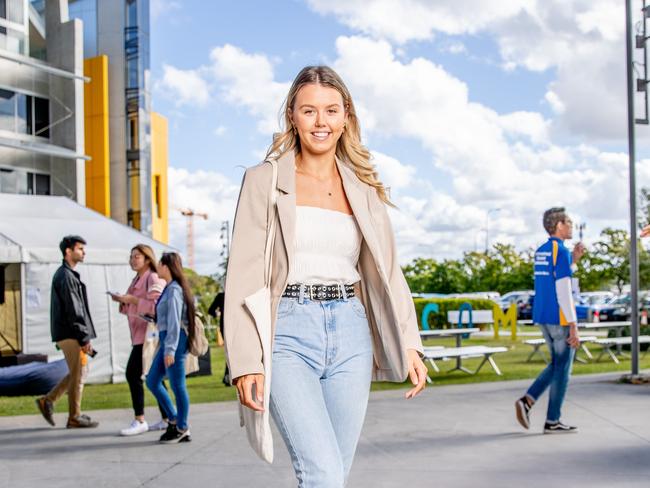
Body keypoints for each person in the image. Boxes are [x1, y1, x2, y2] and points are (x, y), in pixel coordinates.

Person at [224, 65, 428, 486]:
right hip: (287, 332)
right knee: (322, 474)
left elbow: (390, 272)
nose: (321, 122)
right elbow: (243, 273)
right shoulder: (263, 181)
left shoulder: (364, 188)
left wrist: (410, 342)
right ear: (292, 117)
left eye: (331, 111)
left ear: (346, 116)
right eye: (309, 111)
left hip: (351, 331)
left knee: (335, 472)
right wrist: (245, 361)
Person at [515, 207, 585, 434]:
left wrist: (573, 260)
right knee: (563, 368)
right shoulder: (561, 251)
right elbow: (563, 290)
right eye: (569, 222)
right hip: (560, 318)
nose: (572, 226)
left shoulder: (543, 251)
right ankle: (551, 419)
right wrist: (573, 326)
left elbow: (553, 279)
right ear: (559, 225)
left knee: (557, 364)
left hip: (543, 315)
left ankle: (529, 401)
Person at [36, 235, 99, 428]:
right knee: (79, 373)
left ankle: (49, 400)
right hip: (71, 333)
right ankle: (74, 417)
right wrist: (84, 336)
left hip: (69, 333)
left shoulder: (67, 275)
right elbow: (74, 309)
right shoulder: (65, 276)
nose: (83, 252)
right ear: (68, 252)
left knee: (78, 371)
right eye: (80, 248)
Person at [110, 244, 168, 436]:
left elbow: (155, 305)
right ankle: (168, 417)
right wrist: (122, 300)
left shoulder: (152, 277)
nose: (133, 260)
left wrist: (132, 300)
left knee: (132, 374)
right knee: (155, 377)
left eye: (137, 257)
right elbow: (133, 307)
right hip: (138, 335)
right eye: (131, 256)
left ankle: (140, 419)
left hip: (148, 337)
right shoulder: (136, 279)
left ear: (147, 259)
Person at [146, 252, 194, 443]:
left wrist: (170, 350)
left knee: (177, 385)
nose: (157, 266)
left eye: (159, 263)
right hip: (168, 338)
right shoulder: (169, 288)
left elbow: (175, 321)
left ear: (166, 266)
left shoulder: (174, 290)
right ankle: (174, 419)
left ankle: (182, 426)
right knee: (152, 380)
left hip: (175, 339)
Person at [207, 290, 229, 385]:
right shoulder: (236, 293)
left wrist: (218, 314)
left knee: (229, 353)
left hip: (224, 326)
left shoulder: (221, 296)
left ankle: (228, 377)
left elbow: (211, 310)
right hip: (234, 327)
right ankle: (228, 377)